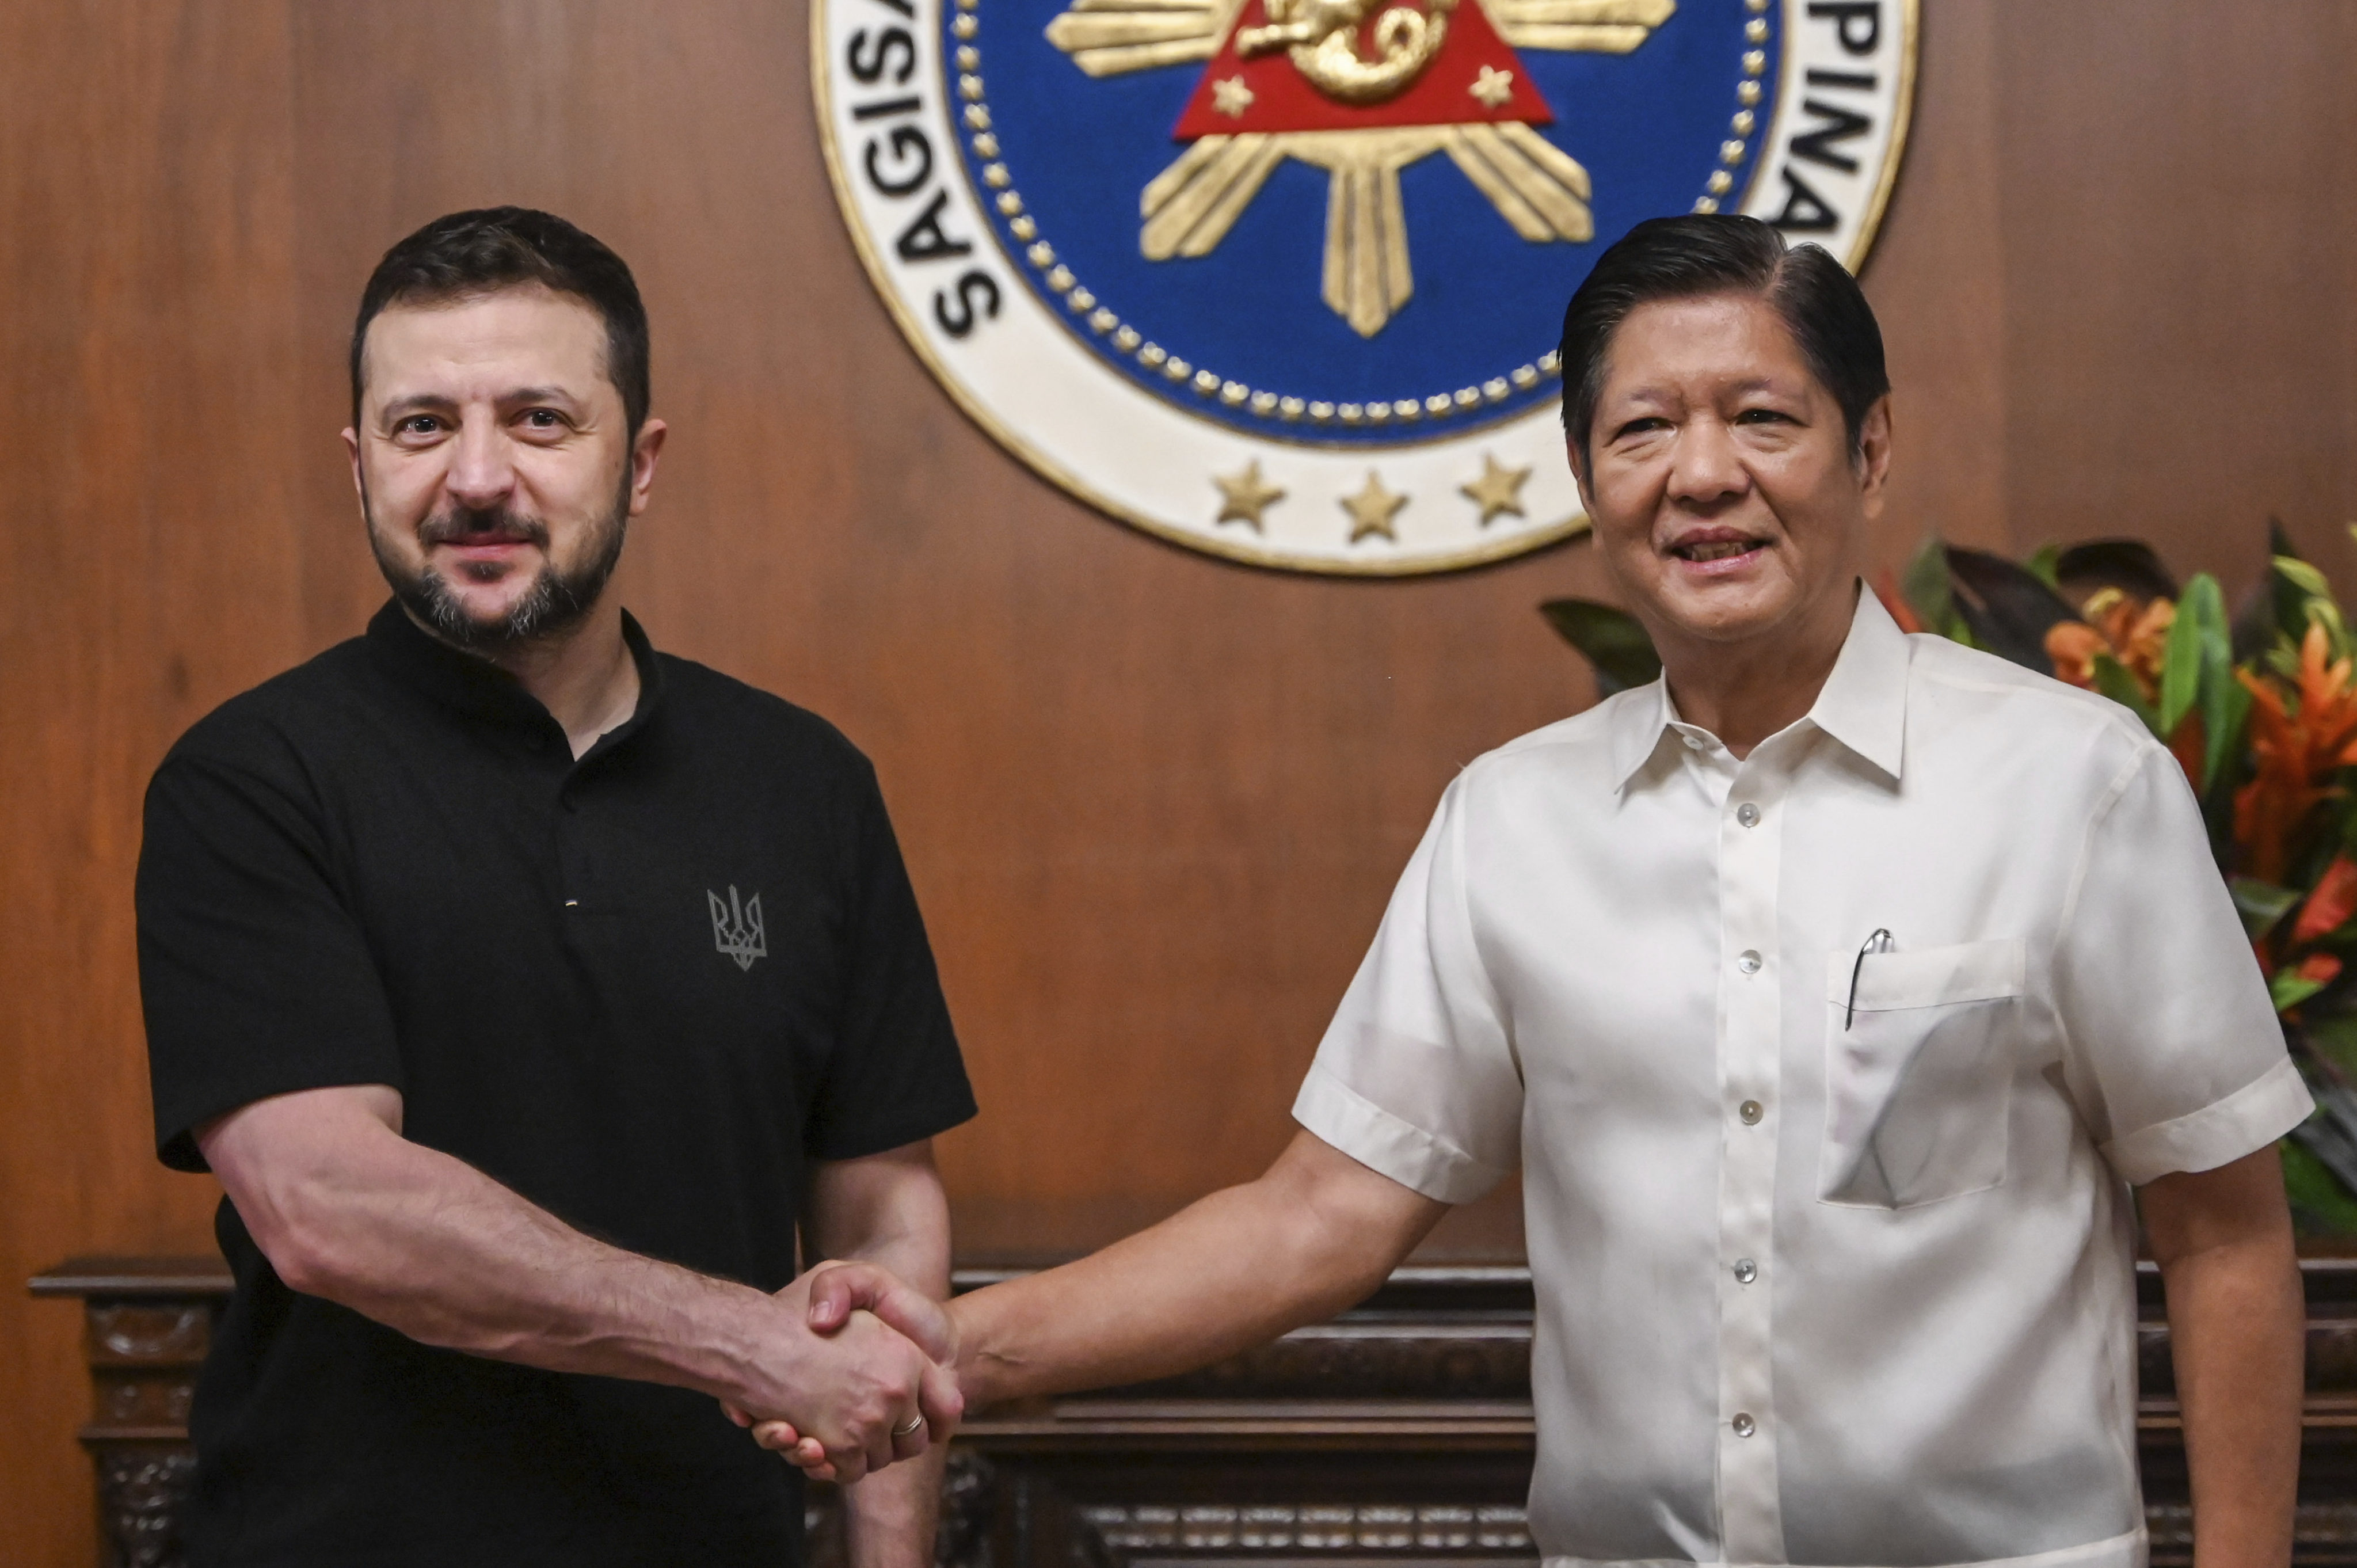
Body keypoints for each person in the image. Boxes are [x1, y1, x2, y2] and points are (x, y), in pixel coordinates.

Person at [763, 215, 2311, 1568]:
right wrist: (953, 1343)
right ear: (1585, 474)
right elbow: (1320, 1217)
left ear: (1872, 446)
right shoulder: (1511, 821)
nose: (1702, 475)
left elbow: (2228, 1233)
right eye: (1642, 431)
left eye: (1763, 417)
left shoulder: (2073, 786)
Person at [135, 207, 972, 1568]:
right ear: (356, 464)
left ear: (638, 462)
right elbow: (325, 1208)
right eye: (419, 428)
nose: (475, 478)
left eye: (537, 420)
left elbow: (882, 1215)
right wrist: (746, 1343)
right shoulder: (251, 779)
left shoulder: (801, 780)